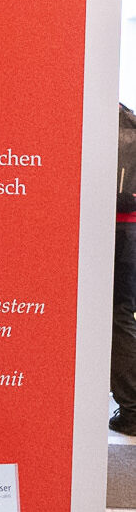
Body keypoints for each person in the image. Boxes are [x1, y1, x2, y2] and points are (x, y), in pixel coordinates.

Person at [112, 105, 136, 434]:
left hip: (115, 229)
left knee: (117, 318)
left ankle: (131, 409)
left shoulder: (100, 119)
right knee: (121, 316)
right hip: (129, 230)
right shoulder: (129, 121)